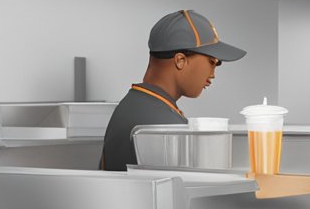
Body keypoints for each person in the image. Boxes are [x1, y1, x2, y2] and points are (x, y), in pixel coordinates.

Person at [99, 10, 246, 171]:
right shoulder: (164, 125)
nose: (213, 74)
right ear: (181, 60)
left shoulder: (132, 105)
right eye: (212, 62)